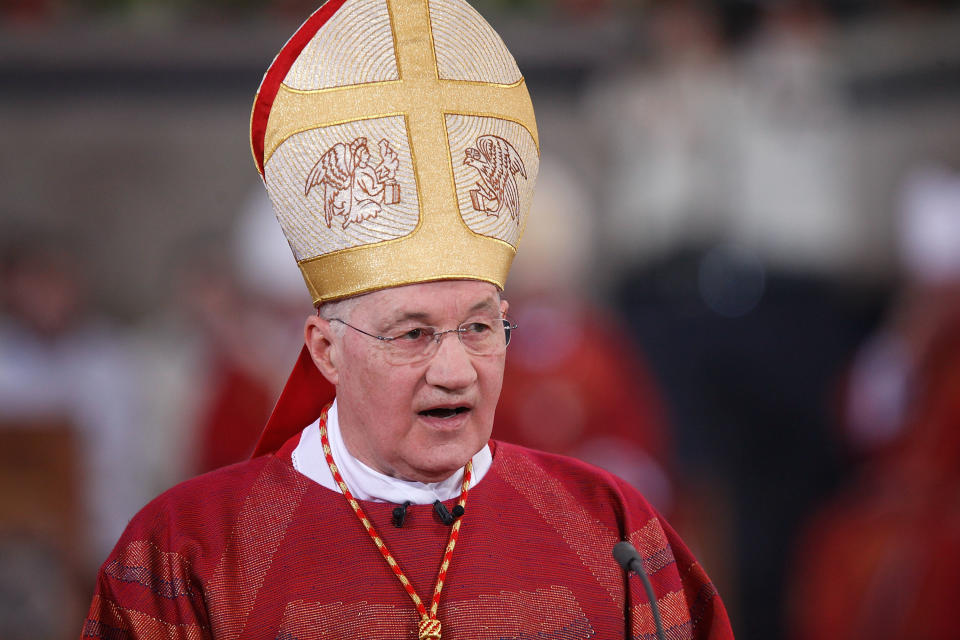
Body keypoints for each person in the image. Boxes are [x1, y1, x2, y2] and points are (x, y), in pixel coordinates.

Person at [81, 1, 733, 639]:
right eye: (412, 333)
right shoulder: (186, 550)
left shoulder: (611, 529)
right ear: (324, 349)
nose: (455, 372)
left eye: (478, 329)